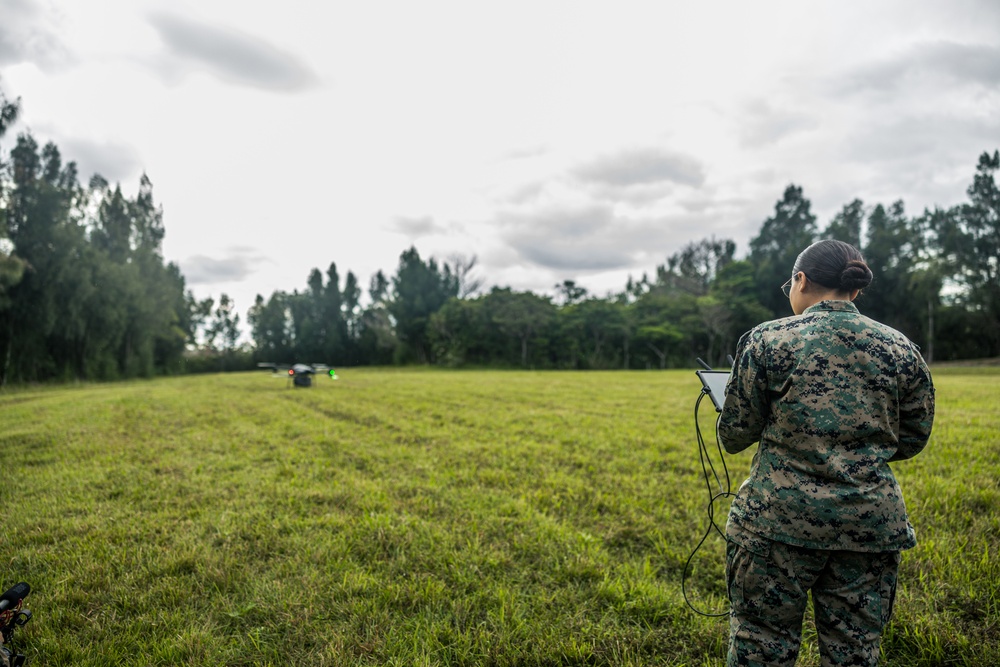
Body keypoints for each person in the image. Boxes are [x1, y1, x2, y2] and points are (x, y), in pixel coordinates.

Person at [718, 239, 935, 666]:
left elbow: (734, 434)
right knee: (855, 651)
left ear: (800, 280)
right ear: (853, 288)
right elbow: (913, 437)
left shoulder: (768, 340)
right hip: (870, 525)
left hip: (776, 524)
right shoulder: (899, 346)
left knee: (761, 644)